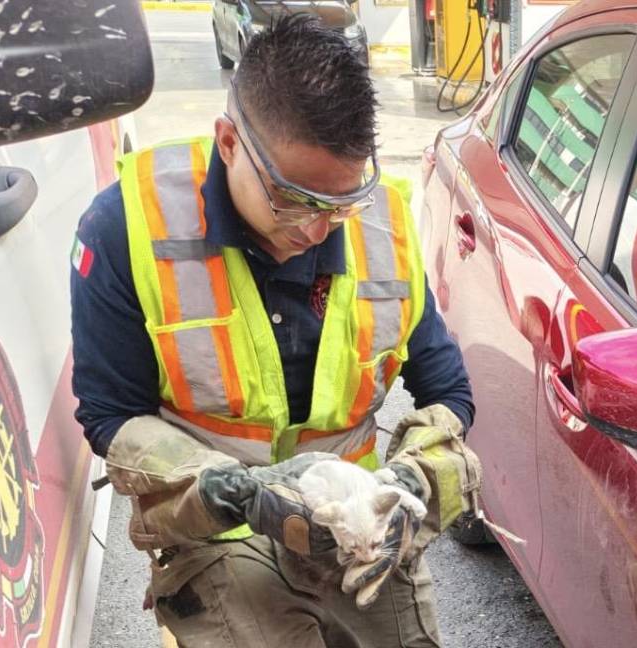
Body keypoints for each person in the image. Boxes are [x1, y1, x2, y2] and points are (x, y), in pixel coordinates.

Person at [70, 15, 480, 647]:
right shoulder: (127, 227)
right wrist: (237, 492)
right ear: (229, 142)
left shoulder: (381, 228)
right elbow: (110, 417)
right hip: (219, 528)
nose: (317, 229)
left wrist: (411, 483)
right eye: (292, 200)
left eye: (339, 204)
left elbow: (448, 392)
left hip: (354, 525)